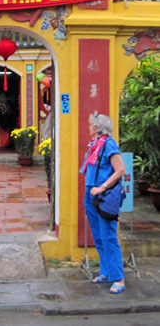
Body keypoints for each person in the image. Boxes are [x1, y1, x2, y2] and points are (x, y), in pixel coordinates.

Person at [80, 113, 126, 294]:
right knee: (98, 235)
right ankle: (106, 271)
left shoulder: (109, 144)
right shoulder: (95, 146)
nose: (89, 128)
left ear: (98, 128)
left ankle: (119, 279)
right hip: (91, 194)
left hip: (103, 195)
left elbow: (121, 169)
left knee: (109, 236)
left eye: (91, 125)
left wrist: (102, 187)